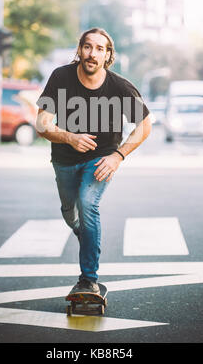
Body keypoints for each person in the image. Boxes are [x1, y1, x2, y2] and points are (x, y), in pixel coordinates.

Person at [36, 28, 151, 294]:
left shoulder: (120, 87)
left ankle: (88, 280)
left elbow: (145, 126)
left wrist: (118, 156)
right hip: (64, 159)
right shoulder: (60, 77)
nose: (92, 53)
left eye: (100, 49)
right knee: (70, 212)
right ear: (79, 50)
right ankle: (84, 232)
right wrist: (69, 138)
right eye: (88, 47)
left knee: (88, 204)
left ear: (108, 55)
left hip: (101, 159)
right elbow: (41, 124)